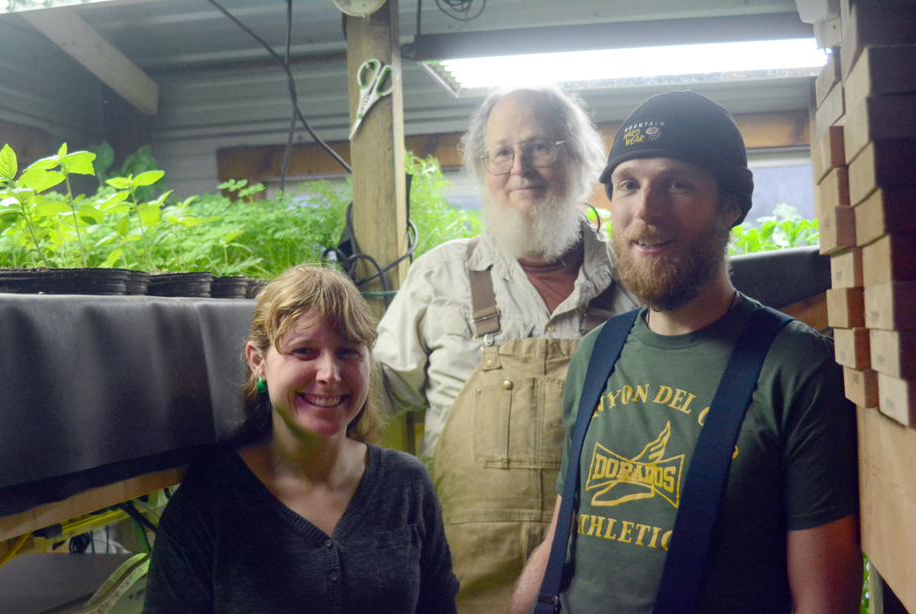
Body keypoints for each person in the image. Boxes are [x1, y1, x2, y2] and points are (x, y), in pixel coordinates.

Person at [508, 90, 861, 614]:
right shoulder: (596, 353)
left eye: (677, 184)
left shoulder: (796, 370)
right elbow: (566, 527)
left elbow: (823, 602)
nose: (646, 209)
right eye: (628, 184)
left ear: (731, 206)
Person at [373, 85, 637, 613]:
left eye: (540, 146)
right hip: (462, 574)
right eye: (502, 152)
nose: (521, 167)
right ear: (482, 166)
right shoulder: (439, 275)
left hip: (604, 565)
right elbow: (374, 397)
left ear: (580, 159)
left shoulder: (634, 279)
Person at [143, 265, 459, 614]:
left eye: (348, 352)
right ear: (257, 362)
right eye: (304, 351)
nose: (329, 374)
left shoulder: (405, 485)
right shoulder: (210, 499)